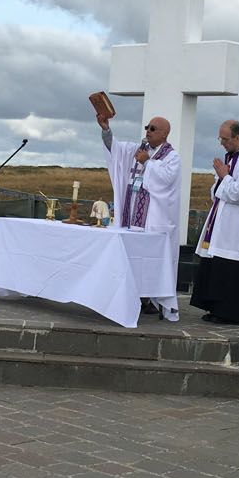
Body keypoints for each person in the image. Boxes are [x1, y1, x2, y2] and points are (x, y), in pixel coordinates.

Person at [97, 112, 182, 321]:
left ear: (165, 134)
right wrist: (106, 129)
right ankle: (131, 295)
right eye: (147, 127)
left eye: (153, 129)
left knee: (151, 260)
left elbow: (166, 180)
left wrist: (148, 163)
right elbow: (114, 149)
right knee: (130, 257)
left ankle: (152, 299)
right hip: (131, 217)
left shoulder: (172, 157)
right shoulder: (136, 150)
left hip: (153, 220)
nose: (148, 132)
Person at [189, 119, 239, 325]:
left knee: (232, 268)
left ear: (237, 137)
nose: (222, 143)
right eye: (220, 138)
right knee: (217, 265)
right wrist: (221, 179)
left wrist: (224, 176)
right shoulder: (231, 158)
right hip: (222, 224)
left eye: (225, 139)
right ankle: (216, 308)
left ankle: (232, 312)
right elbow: (218, 190)